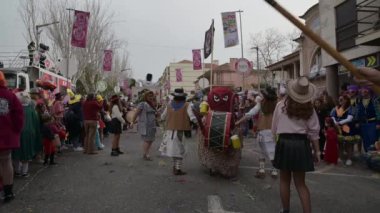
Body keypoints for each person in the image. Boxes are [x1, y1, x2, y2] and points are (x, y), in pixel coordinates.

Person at [272, 76, 320, 213]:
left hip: (284, 143)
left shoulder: (280, 105)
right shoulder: (309, 108)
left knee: (284, 180)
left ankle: (286, 209)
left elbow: (274, 129)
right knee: (300, 184)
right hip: (301, 144)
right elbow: (314, 132)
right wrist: (317, 151)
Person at [236, 87, 278, 178]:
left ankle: (262, 170)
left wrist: (238, 122)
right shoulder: (277, 105)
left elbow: (249, 114)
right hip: (274, 131)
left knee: (262, 152)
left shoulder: (261, 105)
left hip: (262, 131)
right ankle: (274, 170)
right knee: (273, 152)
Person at [0, 71, 24, 203]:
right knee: (6, 161)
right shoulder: (11, 96)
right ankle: (8, 193)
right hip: (6, 137)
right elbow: (19, 117)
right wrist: (17, 130)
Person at [161, 88, 197, 175]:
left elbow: (162, 116)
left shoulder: (169, 105)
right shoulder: (187, 105)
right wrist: (198, 123)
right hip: (182, 130)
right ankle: (177, 169)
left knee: (174, 150)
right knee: (180, 150)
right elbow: (192, 117)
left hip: (170, 131)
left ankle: (175, 167)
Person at [12, 92, 40, 177]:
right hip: (29, 133)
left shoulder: (15, 109)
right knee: (26, 152)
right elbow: (36, 123)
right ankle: (24, 172)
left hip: (17, 133)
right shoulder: (32, 110)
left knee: (16, 152)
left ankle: (17, 170)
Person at [133, 90, 158, 161]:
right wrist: (132, 121)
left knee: (151, 140)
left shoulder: (152, 104)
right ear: (145, 96)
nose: (151, 97)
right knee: (147, 140)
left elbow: (154, 111)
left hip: (152, 124)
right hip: (146, 125)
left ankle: (146, 153)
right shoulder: (142, 104)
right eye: (149, 96)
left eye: (152, 96)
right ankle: (146, 154)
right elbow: (136, 113)